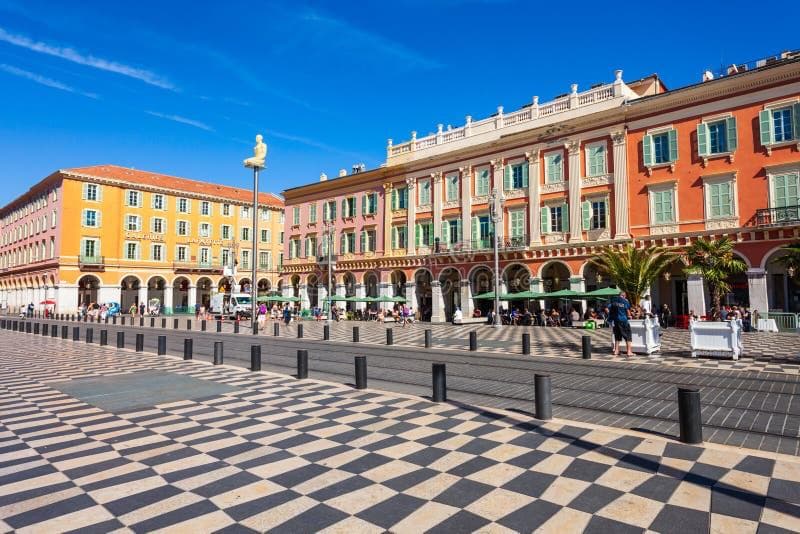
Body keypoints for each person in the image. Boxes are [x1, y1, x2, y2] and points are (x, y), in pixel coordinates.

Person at [609, 291, 633, 357]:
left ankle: (616, 351)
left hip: (616, 321)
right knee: (628, 336)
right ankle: (629, 351)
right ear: (624, 296)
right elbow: (628, 312)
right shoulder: (625, 301)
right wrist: (630, 315)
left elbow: (609, 310)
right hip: (623, 321)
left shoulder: (614, 301)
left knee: (617, 336)